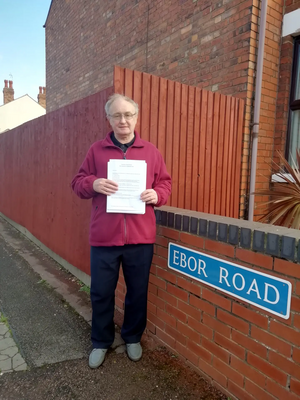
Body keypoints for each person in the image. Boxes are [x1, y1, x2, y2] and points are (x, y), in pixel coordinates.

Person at [71, 93, 171, 368]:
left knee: (137, 292)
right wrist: (94, 183)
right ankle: (101, 341)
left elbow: (165, 184)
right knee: (101, 292)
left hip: (141, 238)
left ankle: (132, 337)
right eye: (117, 115)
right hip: (104, 238)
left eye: (128, 114)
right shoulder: (96, 151)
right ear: (109, 119)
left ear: (136, 118)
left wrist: (156, 195)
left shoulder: (151, 152)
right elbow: (77, 183)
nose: (123, 120)